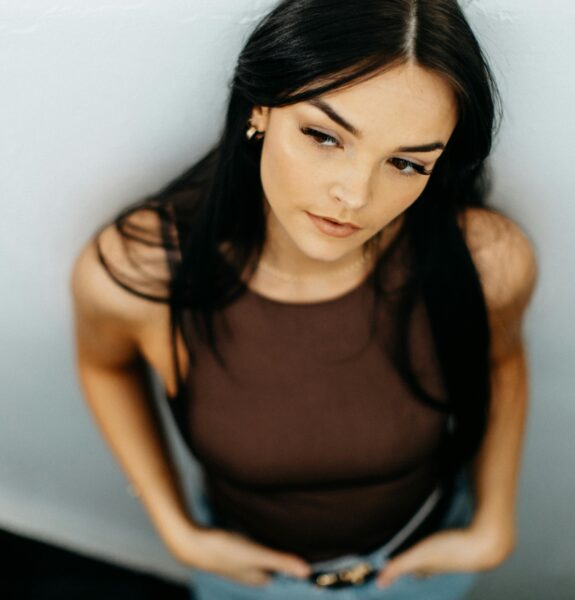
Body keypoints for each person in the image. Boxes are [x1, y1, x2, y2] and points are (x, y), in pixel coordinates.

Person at [69, 0, 538, 598]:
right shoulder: (143, 272)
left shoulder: (486, 260)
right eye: (323, 136)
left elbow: (503, 361)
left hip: (420, 572)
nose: (355, 195)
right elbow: (104, 365)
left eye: (405, 163)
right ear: (260, 108)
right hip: (247, 583)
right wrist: (176, 528)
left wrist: (494, 523)